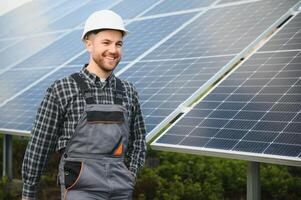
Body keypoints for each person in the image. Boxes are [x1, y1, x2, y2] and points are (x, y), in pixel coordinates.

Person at [21, 10, 146, 200]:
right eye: (106, 42)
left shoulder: (129, 92)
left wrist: (130, 175)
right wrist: (28, 193)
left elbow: (139, 141)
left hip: (121, 189)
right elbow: (40, 145)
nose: (113, 50)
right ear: (89, 43)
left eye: (118, 44)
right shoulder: (62, 89)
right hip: (80, 189)